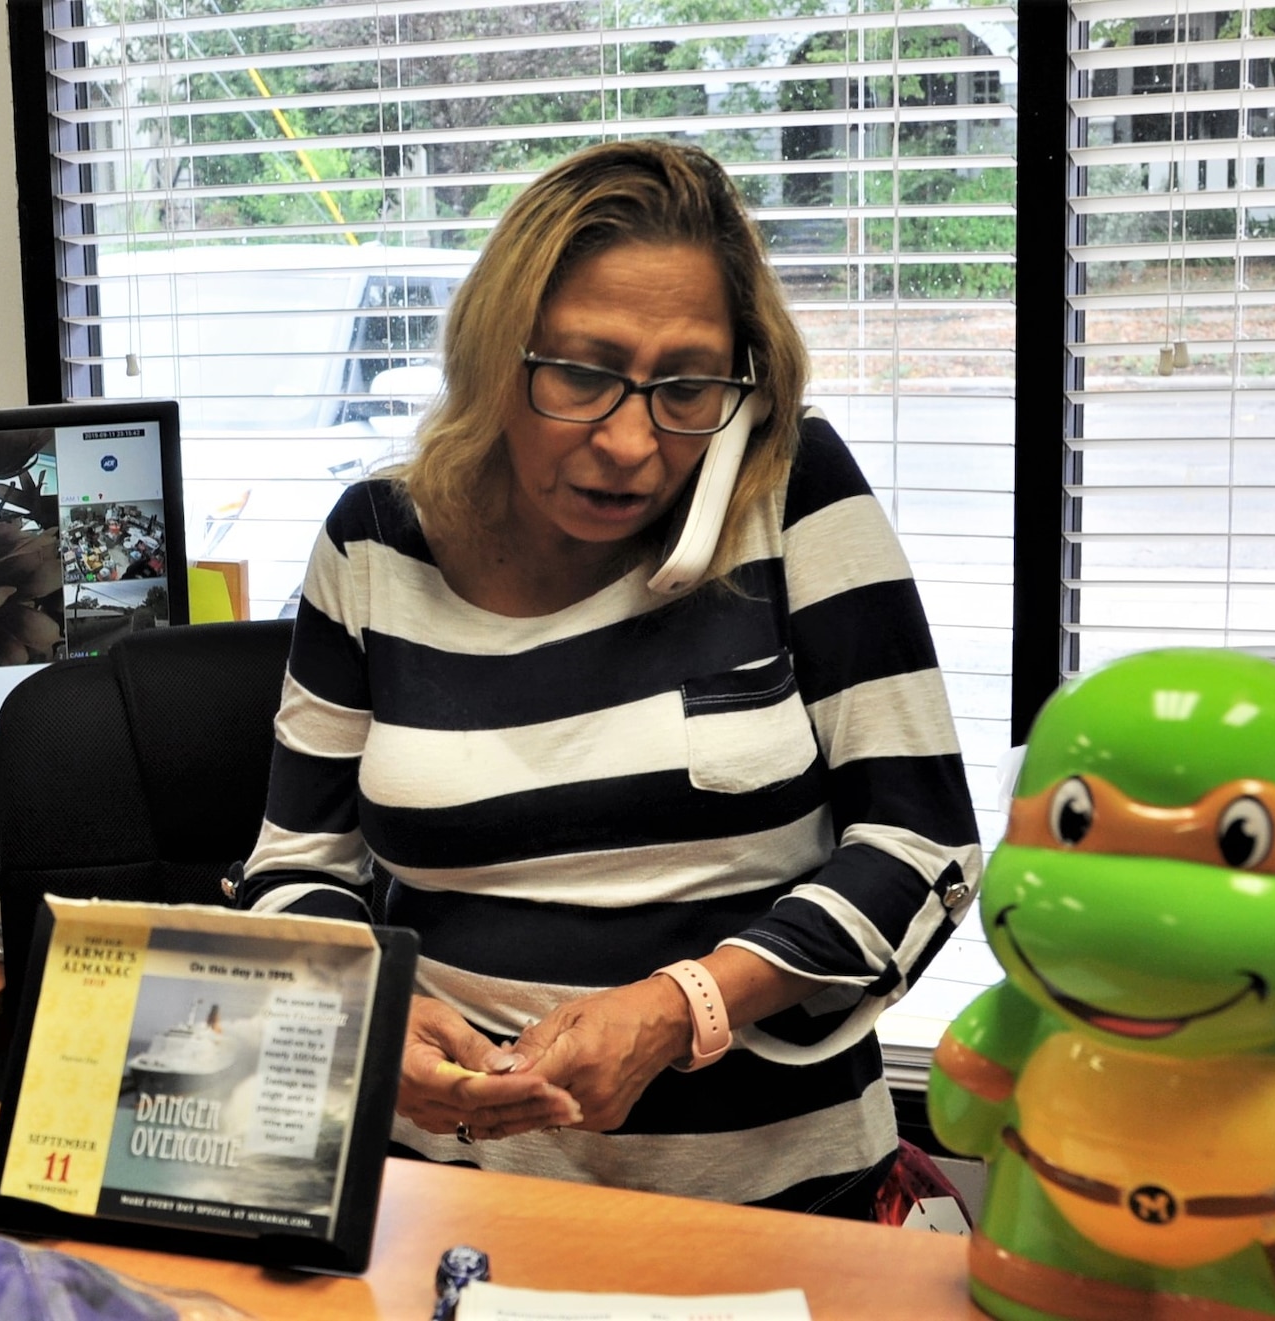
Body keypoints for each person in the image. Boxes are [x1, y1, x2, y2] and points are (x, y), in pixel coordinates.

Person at [232, 139, 982, 1218]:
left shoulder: (789, 491)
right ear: (497, 355)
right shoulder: (374, 542)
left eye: (685, 388)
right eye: (581, 373)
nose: (631, 442)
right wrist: (368, 1010)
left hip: (773, 1206)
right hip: (443, 1201)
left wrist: (687, 1006)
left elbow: (922, 846)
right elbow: (295, 866)